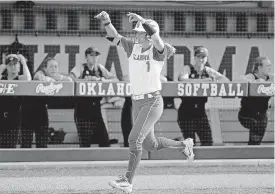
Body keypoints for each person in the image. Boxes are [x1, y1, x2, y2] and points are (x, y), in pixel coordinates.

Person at [95, 11, 195, 193]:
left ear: (148, 34)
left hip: (152, 101)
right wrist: (107, 21)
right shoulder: (133, 47)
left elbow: (157, 39)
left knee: (134, 139)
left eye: (141, 32)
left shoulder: (158, 51)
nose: (137, 34)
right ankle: (184, 145)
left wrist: (143, 21)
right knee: (151, 144)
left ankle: (127, 181)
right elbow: (115, 37)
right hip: (138, 102)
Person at [177, 47, 229, 146]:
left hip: (200, 112)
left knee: (208, 142)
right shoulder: (188, 68)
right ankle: (180, 145)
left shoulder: (207, 70)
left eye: (203, 57)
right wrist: (203, 81)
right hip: (185, 113)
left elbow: (225, 80)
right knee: (191, 145)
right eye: (199, 57)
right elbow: (182, 79)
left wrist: (215, 80)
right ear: (194, 58)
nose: (201, 59)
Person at [69, 46, 118, 147]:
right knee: (85, 142)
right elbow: (70, 80)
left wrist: (103, 81)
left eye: (96, 55)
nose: (94, 58)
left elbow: (115, 79)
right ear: (86, 57)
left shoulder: (99, 68)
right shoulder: (80, 67)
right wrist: (87, 80)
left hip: (96, 109)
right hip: (82, 109)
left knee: (104, 141)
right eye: (91, 55)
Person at [20, 58, 72, 148]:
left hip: (41, 110)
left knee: (42, 141)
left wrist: (57, 78)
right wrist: (50, 79)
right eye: (51, 66)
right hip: (27, 111)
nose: (54, 69)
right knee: (26, 142)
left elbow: (70, 80)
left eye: (56, 67)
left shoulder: (56, 76)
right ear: (45, 68)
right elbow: (40, 77)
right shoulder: (40, 73)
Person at [238, 56, 274, 145]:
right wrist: (258, 82)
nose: (270, 68)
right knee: (258, 124)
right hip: (246, 115)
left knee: (255, 142)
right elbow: (241, 79)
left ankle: (251, 151)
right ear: (259, 67)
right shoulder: (250, 76)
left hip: (261, 116)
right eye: (267, 66)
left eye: (270, 65)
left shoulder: (272, 78)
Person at [0, 54, 31, 148]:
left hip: (15, 118)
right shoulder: (3, 79)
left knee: (11, 144)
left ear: (19, 67)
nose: (13, 66)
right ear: (7, 67)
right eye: (10, 64)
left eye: (15, 64)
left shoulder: (20, 79)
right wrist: (0, 70)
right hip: (1, 116)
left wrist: (24, 63)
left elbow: (28, 79)